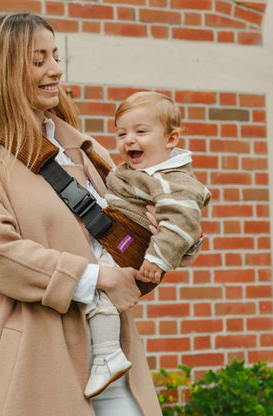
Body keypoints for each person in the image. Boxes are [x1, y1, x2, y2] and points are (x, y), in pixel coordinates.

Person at [0, 12, 166, 416]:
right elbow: (0, 254)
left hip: (112, 358)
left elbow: (115, 238)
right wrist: (101, 277)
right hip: (34, 361)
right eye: (38, 60)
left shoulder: (83, 148)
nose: (55, 70)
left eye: (56, 56)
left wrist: (152, 234)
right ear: (5, 69)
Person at [85, 91, 211, 400]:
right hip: (121, 238)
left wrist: (157, 259)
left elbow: (180, 223)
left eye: (141, 131)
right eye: (122, 133)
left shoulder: (171, 179)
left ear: (171, 139)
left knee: (98, 287)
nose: (129, 139)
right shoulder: (135, 171)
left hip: (135, 248)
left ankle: (107, 354)